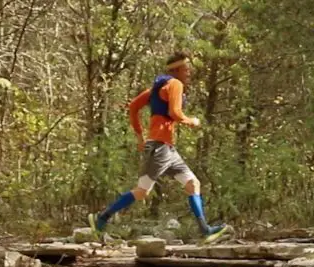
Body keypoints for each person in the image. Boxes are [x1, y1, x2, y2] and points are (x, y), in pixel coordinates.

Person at [90, 52, 227, 243]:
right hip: (159, 148)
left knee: (192, 184)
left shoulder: (156, 89)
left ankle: (205, 230)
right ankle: (102, 218)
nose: (189, 72)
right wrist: (191, 121)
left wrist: (140, 136)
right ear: (177, 70)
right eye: (187, 68)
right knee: (142, 191)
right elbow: (175, 112)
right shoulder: (175, 84)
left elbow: (133, 107)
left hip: (168, 149)